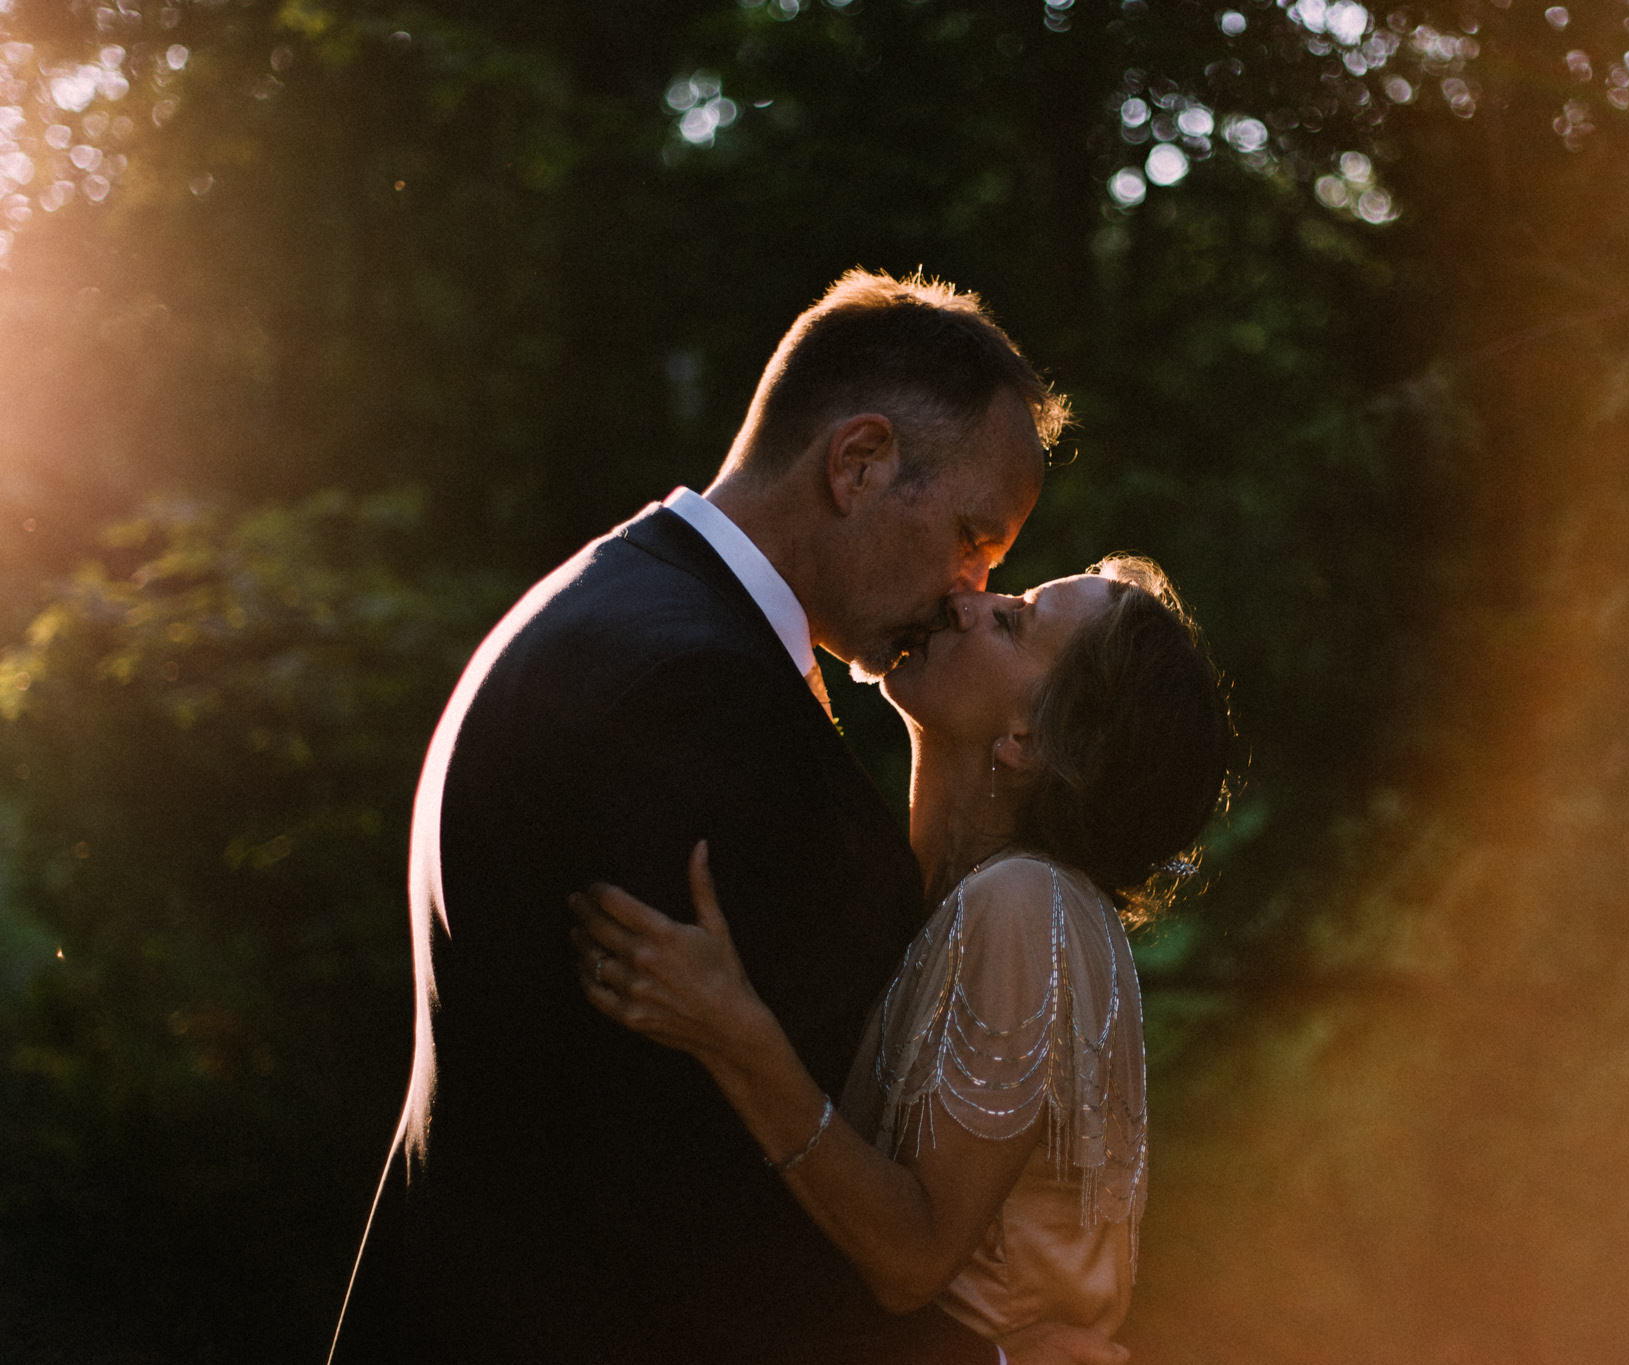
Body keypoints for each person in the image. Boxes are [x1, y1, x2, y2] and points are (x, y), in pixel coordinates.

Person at [327, 270, 1104, 1364]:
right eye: (973, 536)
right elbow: (705, 1202)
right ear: (859, 462)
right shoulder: (701, 699)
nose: (969, 590)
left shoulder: (607, 597)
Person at [569, 554, 1232, 1352]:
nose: (967, 601)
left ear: (1028, 737)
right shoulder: (967, 899)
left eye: (1012, 618)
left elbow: (915, 1258)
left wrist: (730, 1028)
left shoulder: (1026, 904)